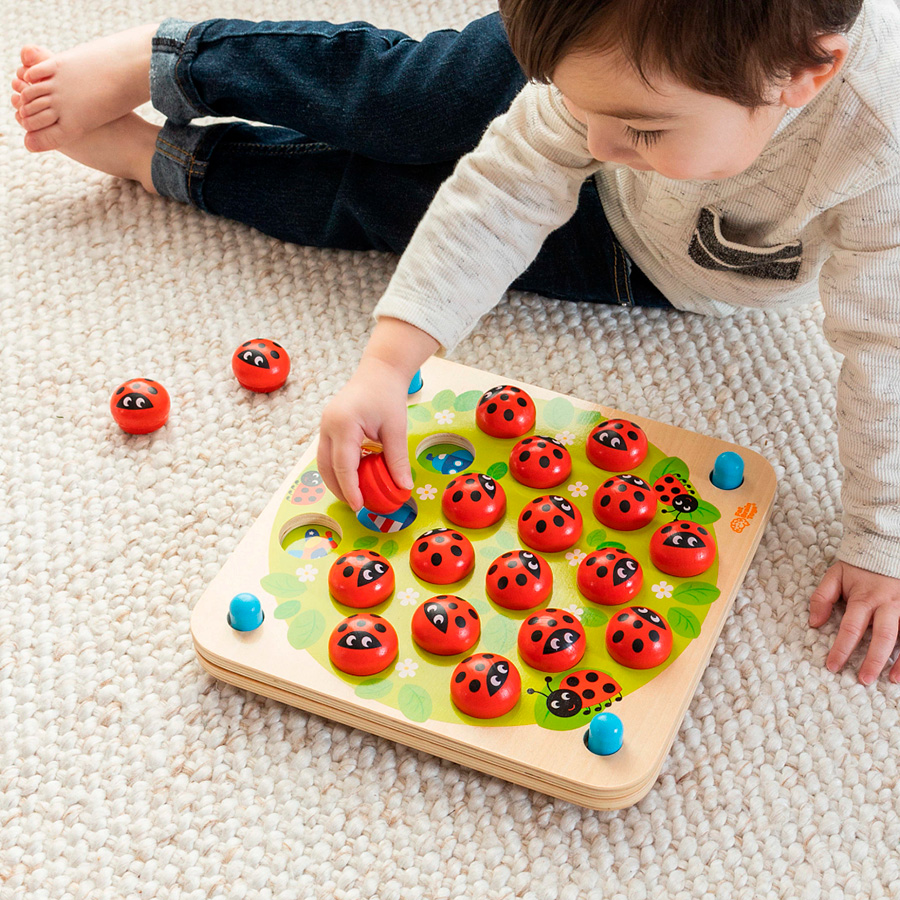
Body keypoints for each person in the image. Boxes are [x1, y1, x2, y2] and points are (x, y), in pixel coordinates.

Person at [12, 1, 900, 685]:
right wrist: (389, 364)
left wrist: (882, 540)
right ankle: (174, 62)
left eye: (639, 129)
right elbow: (508, 184)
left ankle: (164, 163)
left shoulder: (880, 147)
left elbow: (889, 348)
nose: (591, 146)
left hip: (648, 261)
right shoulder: (594, 87)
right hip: (594, 60)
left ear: (806, 76)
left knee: (372, 209)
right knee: (402, 102)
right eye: (586, 117)